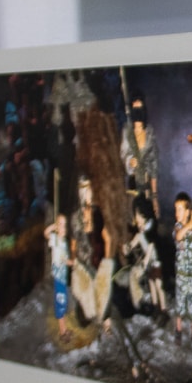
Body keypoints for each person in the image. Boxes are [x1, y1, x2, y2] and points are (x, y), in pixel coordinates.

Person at [68, 175, 114, 325]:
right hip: (83, 264)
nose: (89, 192)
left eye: (89, 188)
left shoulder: (97, 213)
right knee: (84, 316)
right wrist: (74, 262)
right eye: (85, 189)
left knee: (103, 294)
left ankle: (105, 315)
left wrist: (107, 260)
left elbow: (106, 237)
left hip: (97, 261)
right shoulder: (75, 217)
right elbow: (74, 244)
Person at [120, 97, 160, 220]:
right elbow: (123, 155)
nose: (137, 113)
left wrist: (154, 197)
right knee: (133, 219)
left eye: (140, 108)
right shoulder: (127, 131)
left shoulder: (150, 133)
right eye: (135, 109)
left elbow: (154, 165)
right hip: (131, 185)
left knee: (148, 220)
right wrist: (130, 162)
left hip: (146, 186)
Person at [171, 192, 192, 341]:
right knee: (180, 301)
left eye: (180, 209)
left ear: (188, 211)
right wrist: (190, 224)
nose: (177, 213)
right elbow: (179, 236)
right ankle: (178, 329)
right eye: (175, 209)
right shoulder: (177, 227)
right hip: (182, 274)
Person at [47, 211, 71, 339]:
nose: (63, 228)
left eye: (65, 225)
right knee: (60, 303)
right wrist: (52, 227)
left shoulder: (64, 242)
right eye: (60, 225)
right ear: (57, 227)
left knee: (63, 302)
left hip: (63, 276)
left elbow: (65, 259)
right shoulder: (55, 239)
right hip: (58, 277)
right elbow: (45, 233)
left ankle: (65, 328)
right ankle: (62, 333)